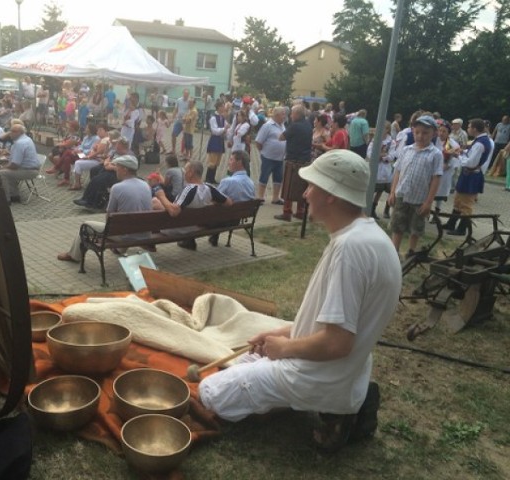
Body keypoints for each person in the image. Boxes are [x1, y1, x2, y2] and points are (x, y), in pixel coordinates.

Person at [199, 149, 402, 451]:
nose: (305, 193)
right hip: (342, 366)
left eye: (312, 186)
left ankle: (338, 405)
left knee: (210, 391)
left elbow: (337, 343)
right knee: (239, 361)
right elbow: (330, 323)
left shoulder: (350, 250)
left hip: (320, 371)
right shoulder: (368, 236)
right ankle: (345, 400)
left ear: (331, 194)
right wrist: (277, 335)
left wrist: (285, 348)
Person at [57, 155, 152, 263]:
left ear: (125, 170)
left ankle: (74, 256)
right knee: (125, 223)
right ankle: (119, 250)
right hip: (144, 233)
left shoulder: (117, 187)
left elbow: (109, 215)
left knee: (85, 225)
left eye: (118, 167)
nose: (116, 170)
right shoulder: (145, 185)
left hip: (126, 235)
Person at [387, 115, 443, 256]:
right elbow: (398, 171)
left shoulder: (435, 154)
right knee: (397, 225)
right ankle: (395, 250)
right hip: (402, 195)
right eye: (417, 132)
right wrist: (392, 192)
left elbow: (436, 178)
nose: (420, 136)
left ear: (433, 134)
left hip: (420, 199)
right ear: (413, 131)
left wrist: (429, 202)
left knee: (415, 227)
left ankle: (411, 251)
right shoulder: (406, 150)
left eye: (425, 133)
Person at [153, 160, 232, 250]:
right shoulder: (210, 188)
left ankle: (148, 240)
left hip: (178, 228)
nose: (184, 174)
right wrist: (211, 201)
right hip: (197, 226)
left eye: (185, 171)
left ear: (191, 173)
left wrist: (161, 195)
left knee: (155, 201)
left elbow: (174, 212)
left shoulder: (189, 189)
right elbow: (229, 202)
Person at [443, 118, 493, 236]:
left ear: (475, 129)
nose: (468, 128)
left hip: (472, 175)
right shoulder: (479, 140)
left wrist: (458, 156)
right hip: (468, 174)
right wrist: (462, 152)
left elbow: (471, 163)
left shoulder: (480, 143)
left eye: (469, 127)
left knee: (466, 204)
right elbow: (471, 156)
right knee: (458, 200)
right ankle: (452, 222)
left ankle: (462, 229)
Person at [208, 150, 255, 247]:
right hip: (237, 219)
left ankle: (189, 240)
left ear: (239, 162)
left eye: (231, 159)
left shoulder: (228, 181)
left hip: (221, 220)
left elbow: (214, 199)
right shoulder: (251, 182)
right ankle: (214, 237)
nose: (228, 162)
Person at [275, 105, 312, 221]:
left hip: (293, 160)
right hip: (305, 160)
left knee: (288, 186)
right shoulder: (308, 125)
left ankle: (287, 212)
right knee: (302, 186)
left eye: (292, 113)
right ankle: (300, 211)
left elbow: (281, 137)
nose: (290, 116)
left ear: (297, 114)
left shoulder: (294, 126)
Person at [0, 124, 41, 204]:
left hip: (29, 171)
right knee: (8, 171)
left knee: (1, 173)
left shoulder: (19, 143)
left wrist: (3, 167)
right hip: (31, 169)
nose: (10, 133)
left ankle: (6, 199)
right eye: (10, 130)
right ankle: (14, 196)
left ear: (20, 133)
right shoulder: (27, 139)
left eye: (14, 131)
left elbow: (15, 165)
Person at [255, 107, 286, 204]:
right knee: (264, 176)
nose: (284, 117)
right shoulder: (267, 125)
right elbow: (258, 141)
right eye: (283, 114)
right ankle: (260, 197)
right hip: (268, 157)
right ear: (276, 115)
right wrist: (263, 151)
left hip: (280, 158)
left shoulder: (283, 126)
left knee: (278, 178)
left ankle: (275, 198)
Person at [205, 100, 229, 184]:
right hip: (215, 140)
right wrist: (224, 129)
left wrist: (226, 129)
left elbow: (226, 126)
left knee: (217, 161)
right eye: (223, 106)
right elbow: (215, 130)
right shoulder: (213, 118)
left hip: (220, 140)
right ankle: (208, 178)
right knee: (212, 161)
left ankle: (212, 178)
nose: (224, 108)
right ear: (219, 107)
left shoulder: (222, 117)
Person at [171, 89, 190, 154]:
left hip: (186, 121)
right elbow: (175, 109)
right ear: (183, 93)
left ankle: (183, 151)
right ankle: (173, 149)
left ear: (188, 95)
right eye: (185, 94)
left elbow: (191, 110)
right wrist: (172, 118)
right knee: (173, 134)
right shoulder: (179, 100)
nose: (186, 95)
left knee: (185, 136)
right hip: (178, 120)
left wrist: (187, 118)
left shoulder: (190, 101)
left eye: (187, 94)